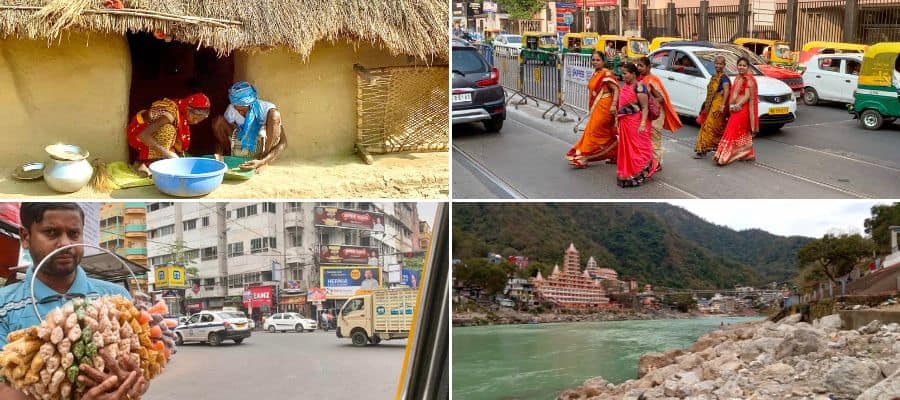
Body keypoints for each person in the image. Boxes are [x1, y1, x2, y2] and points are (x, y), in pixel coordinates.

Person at [0, 203, 147, 400]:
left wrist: (131, 384)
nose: (65, 244)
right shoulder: (3, 304)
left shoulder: (117, 297)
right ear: (25, 237)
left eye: (74, 234)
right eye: (51, 233)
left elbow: (141, 371)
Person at [127, 93, 211, 177]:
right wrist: (167, 153)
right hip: (137, 133)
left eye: (199, 120)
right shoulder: (170, 114)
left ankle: (157, 161)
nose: (195, 122)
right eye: (194, 118)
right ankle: (143, 164)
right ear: (188, 110)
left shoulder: (181, 112)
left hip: (150, 135)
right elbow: (143, 135)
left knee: (176, 152)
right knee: (168, 130)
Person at [211, 81, 288, 171]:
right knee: (218, 121)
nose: (240, 112)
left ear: (251, 103)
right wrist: (219, 153)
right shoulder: (231, 109)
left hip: (262, 147)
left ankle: (263, 159)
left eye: (243, 109)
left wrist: (263, 161)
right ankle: (229, 155)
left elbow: (283, 142)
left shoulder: (267, 109)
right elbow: (220, 138)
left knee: (274, 115)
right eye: (237, 108)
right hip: (239, 146)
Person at [566, 50, 620, 168]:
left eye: (598, 60)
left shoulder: (606, 74)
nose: (595, 62)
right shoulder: (596, 73)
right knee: (601, 134)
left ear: (603, 61)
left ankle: (585, 157)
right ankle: (615, 153)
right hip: (597, 108)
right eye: (593, 60)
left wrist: (613, 105)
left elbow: (616, 89)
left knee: (594, 133)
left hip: (606, 108)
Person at [615, 63, 658, 187]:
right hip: (625, 122)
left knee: (638, 147)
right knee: (627, 149)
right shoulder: (626, 86)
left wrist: (643, 123)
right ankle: (627, 173)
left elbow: (644, 108)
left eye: (625, 73)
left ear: (633, 74)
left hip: (636, 122)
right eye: (622, 73)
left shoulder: (639, 88)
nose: (622, 76)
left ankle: (639, 171)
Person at [637, 57, 683, 169]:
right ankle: (650, 161)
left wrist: (647, 102)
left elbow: (661, 98)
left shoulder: (652, 79)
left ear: (648, 67)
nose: (639, 68)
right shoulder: (642, 79)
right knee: (646, 138)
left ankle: (656, 164)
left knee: (654, 138)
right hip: (648, 112)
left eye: (641, 66)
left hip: (655, 113)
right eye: (638, 66)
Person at [715, 57, 759, 166]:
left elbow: (748, 96)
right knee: (741, 132)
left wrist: (737, 105)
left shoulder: (749, 79)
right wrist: (731, 105)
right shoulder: (738, 78)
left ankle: (724, 157)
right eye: (740, 65)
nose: (741, 67)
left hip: (742, 110)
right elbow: (733, 93)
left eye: (744, 65)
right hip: (735, 108)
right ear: (737, 66)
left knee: (731, 131)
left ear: (748, 67)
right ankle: (747, 154)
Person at [694, 55, 731, 158]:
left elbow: (727, 91)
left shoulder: (724, 77)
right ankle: (702, 149)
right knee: (706, 126)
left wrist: (722, 105)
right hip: (710, 105)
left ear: (724, 65)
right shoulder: (714, 76)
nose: (718, 66)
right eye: (716, 63)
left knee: (712, 127)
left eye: (720, 64)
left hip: (718, 106)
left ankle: (707, 149)